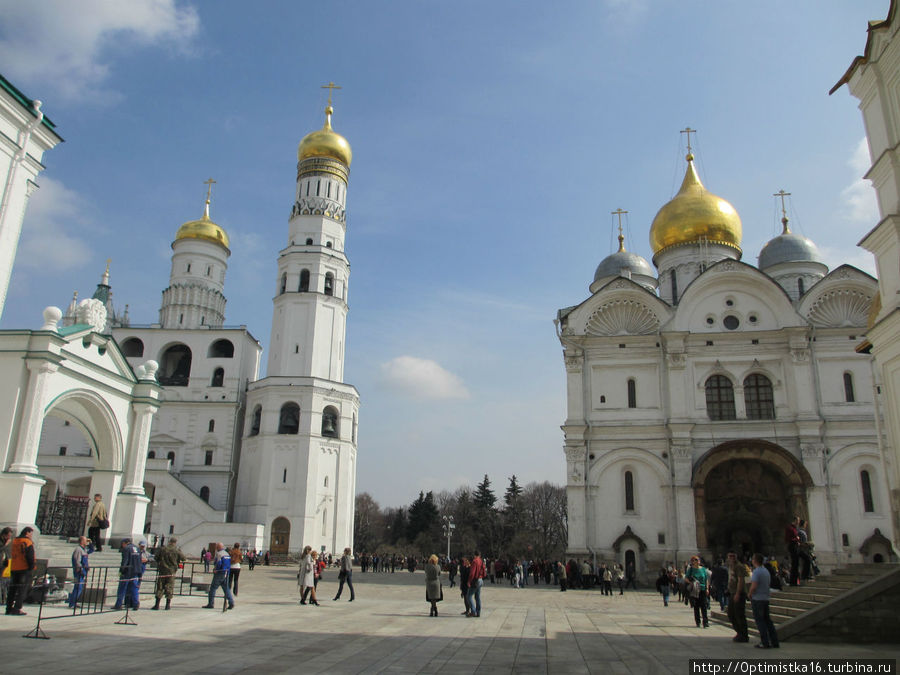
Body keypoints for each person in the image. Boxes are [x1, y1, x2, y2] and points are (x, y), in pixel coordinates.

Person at [749, 553, 780, 649]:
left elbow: (754, 585)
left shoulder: (757, 572)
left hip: (758, 599)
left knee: (760, 621)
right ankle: (775, 641)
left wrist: (749, 593)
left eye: (753, 559)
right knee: (768, 621)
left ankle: (765, 641)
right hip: (765, 598)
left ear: (755, 560)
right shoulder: (766, 571)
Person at [6, 527, 35, 616]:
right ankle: (17, 608)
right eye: (31, 533)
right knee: (22, 589)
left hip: (14, 567)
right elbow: (29, 556)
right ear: (27, 532)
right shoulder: (27, 542)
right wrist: (31, 567)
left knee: (12, 589)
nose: (31, 535)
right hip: (24, 568)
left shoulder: (14, 541)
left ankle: (9, 608)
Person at [153, 536, 186, 610]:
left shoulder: (163, 549)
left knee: (160, 587)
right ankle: (167, 605)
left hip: (162, 571)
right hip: (171, 571)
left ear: (169, 542)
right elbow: (184, 558)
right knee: (169, 587)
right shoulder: (176, 550)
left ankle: (157, 605)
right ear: (175, 543)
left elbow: (156, 558)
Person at [203, 542, 235, 610]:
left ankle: (210, 603)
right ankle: (231, 602)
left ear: (218, 547)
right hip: (226, 572)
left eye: (217, 547)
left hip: (220, 573)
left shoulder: (219, 554)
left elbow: (219, 563)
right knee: (226, 589)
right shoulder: (227, 554)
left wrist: (216, 569)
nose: (216, 548)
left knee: (213, 588)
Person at [113, 538, 142, 610]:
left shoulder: (126, 549)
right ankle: (136, 603)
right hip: (135, 571)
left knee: (122, 588)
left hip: (127, 571)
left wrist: (121, 571)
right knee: (134, 588)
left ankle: (118, 604)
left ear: (124, 543)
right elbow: (139, 561)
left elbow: (124, 561)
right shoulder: (137, 549)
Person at [726, 551, 749, 643]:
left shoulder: (739, 566)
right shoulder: (731, 566)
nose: (731, 557)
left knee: (739, 614)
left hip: (738, 593)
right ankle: (740, 632)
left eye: (733, 556)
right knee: (731, 613)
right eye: (730, 556)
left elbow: (741, 580)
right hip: (733, 592)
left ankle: (743, 634)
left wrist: (738, 593)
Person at [67, 536, 92, 609]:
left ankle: (74, 602)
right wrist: (80, 569)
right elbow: (77, 560)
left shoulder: (84, 549)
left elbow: (91, 550)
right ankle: (72, 603)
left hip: (83, 570)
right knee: (78, 587)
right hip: (79, 571)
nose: (86, 541)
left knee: (79, 587)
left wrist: (90, 543)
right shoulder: (78, 549)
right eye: (85, 540)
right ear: (81, 541)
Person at [684, 555, 709, 628]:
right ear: (692, 562)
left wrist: (707, 588)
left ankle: (705, 622)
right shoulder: (691, 570)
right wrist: (691, 583)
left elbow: (706, 579)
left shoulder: (703, 569)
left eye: (697, 560)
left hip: (703, 589)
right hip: (695, 589)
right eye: (694, 560)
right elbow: (686, 578)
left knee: (704, 606)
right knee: (696, 606)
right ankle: (698, 622)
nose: (696, 561)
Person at [466, 549, 485, 618]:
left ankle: (473, 611)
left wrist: (469, 581)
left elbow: (472, 573)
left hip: (475, 580)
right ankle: (478, 612)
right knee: (477, 597)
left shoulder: (474, 561)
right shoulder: (481, 561)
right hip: (480, 579)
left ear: (474, 554)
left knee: (469, 596)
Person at [785, 516, 801, 586]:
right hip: (792, 547)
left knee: (796, 564)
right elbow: (787, 539)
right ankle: (793, 581)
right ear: (794, 520)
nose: (798, 522)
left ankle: (795, 581)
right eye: (798, 520)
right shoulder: (790, 528)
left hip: (795, 546)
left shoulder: (795, 528)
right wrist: (796, 539)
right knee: (794, 564)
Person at [0, 527, 13, 606]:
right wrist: (6, 544)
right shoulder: (2, 541)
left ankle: (2, 599)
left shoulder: (5, 541)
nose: (9, 538)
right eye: (8, 536)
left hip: (3, 563)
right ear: (4, 534)